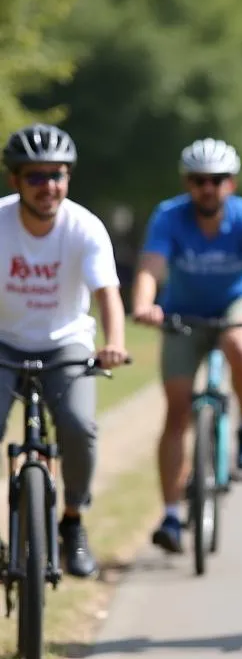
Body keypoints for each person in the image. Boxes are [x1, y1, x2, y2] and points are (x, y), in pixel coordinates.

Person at [132, 138, 242, 554]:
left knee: (236, 342)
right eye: (199, 180)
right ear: (187, 183)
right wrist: (144, 305)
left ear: (230, 183)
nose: (208, 188)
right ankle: (172, 516)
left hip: (236, 307)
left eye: (216, 180)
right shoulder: (169, 216)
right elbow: (150, 268)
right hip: (184, 313)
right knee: (176, 412)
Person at [0, 124, 129, 578]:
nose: (48, 186)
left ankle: (71, 520)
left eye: (56, 175)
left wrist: (114, 343)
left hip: (65, 343)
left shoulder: (84, 226)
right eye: (35, 176)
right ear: (15, 180)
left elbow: (107, 293)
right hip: (4, 341)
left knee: (79, 426)